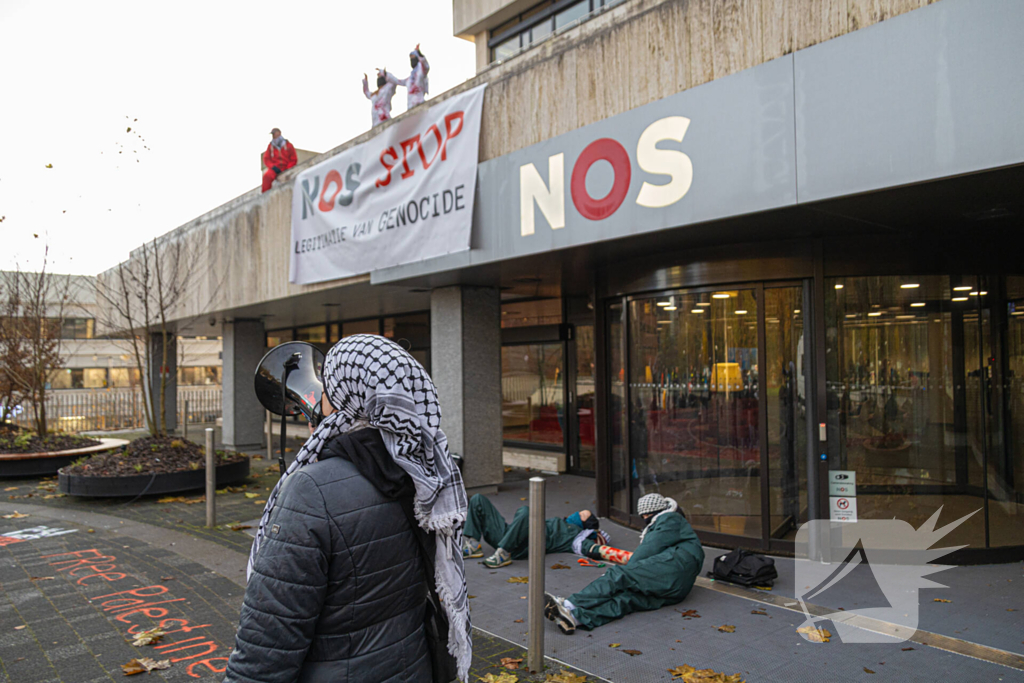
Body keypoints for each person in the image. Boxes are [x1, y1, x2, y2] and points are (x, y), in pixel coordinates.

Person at [224, 334, 473, 682]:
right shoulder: (426, 472)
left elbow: (267, 646)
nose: (320, 397)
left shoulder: (310, 490)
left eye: (326, 388)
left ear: (346, 395)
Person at [543, 493, 704, 634]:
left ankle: (569, 604)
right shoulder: (679, 527)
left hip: (673, 570)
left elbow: (644, 553)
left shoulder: (669, 519)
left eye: (644, 517)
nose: (644, 520)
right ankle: (575, 619)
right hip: (678, 589)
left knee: (619, 575)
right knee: (626, 600)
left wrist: (618, 575)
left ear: (649, 514)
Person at [463, 493, 610, 568]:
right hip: (510, 535)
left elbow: (589, 547)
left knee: (527, 511)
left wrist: (603, 547)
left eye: (582, 514)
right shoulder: (560, 522)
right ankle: (473, 544)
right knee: (478, 499)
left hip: (523, 545)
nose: (577, 513)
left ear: (583, 524)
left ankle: (503, 553)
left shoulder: (574, 535)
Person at [390, 43, 429, 110]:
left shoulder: (421, 71)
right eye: (410, 58)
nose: (412, 60)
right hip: (410, 107)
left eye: (413, 57)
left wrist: (419, 54)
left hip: (420, 104)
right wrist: (386, 75)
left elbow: (426, 66)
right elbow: (398, 81)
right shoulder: (409, 80)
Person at [262, 128, 297, 193]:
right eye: (272, 134)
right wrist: (273, 167)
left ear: (279, 133)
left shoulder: (288, 145)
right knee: (266, 176)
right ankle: (265, 195)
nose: (273, 135)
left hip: (286, 167)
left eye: (274, 133)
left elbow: (293, 159)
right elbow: (266, 159)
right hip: (275, 168)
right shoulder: (270, 146)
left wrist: (288, 168)